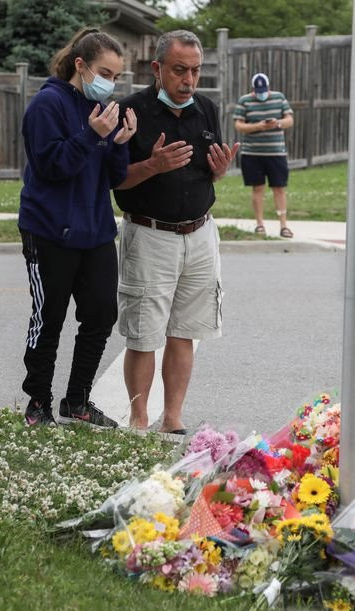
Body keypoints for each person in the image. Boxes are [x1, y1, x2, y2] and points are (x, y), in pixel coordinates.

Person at [114, 30, 239, 435]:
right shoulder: (131, 111)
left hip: (200, 235)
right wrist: (152, 166)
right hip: (150, 236)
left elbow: (210, 170)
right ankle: (138, 418)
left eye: (196, 71)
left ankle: (172, 417)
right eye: (179, 70)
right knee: (144, 334)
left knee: (185, 332)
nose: (188, 80)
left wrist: (220, 171)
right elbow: (114, 181)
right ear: (157, 69)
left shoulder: (206, 108)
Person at [18, 28, 136, 428]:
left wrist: (119, 141)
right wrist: (92, 134)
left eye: (117, 77)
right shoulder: (46, 105)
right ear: (81, 66)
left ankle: (77, 401)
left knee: (101, 314)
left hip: (96, 230)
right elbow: (52, 167)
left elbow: (111, 178)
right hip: (49, 229)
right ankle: (38, 403)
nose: (111, 83)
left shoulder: (103, 112)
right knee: (48, 317)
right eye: (106, 72)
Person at [233, 73, 295, 238]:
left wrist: (278, 123)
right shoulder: (244, 100)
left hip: (276, 152)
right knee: (257, 188)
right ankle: (260, 224)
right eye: (258, 90)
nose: (261, 93)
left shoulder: (279, 98)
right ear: (253, 89)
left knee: (279, 188)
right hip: (252, 153)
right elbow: (239, 125)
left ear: (268, 87)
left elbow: (290, 120)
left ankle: (284, 225)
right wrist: (258, 126)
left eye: (264, 90)